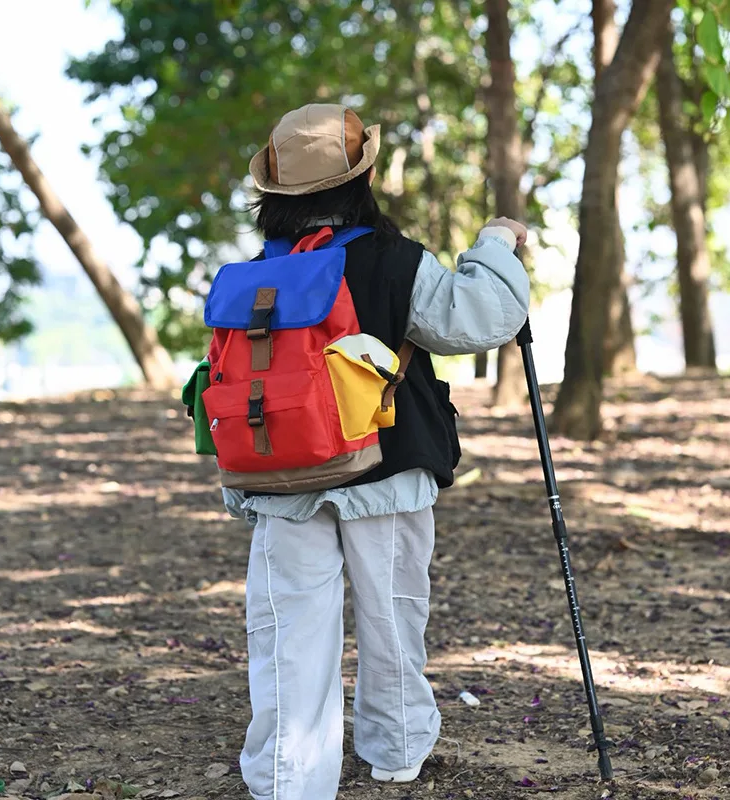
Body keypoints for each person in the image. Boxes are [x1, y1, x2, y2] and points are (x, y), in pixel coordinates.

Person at [222, 103, 530, 800]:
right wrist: (494, 244)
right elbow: (477, 318)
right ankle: (394, 751)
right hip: (384, 472)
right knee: (392, 618)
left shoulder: (257, 275)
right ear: (363, 178)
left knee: (288, 636)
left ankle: (287, 781)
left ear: (272, 190)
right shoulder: (393, 259)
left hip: (283, 478)